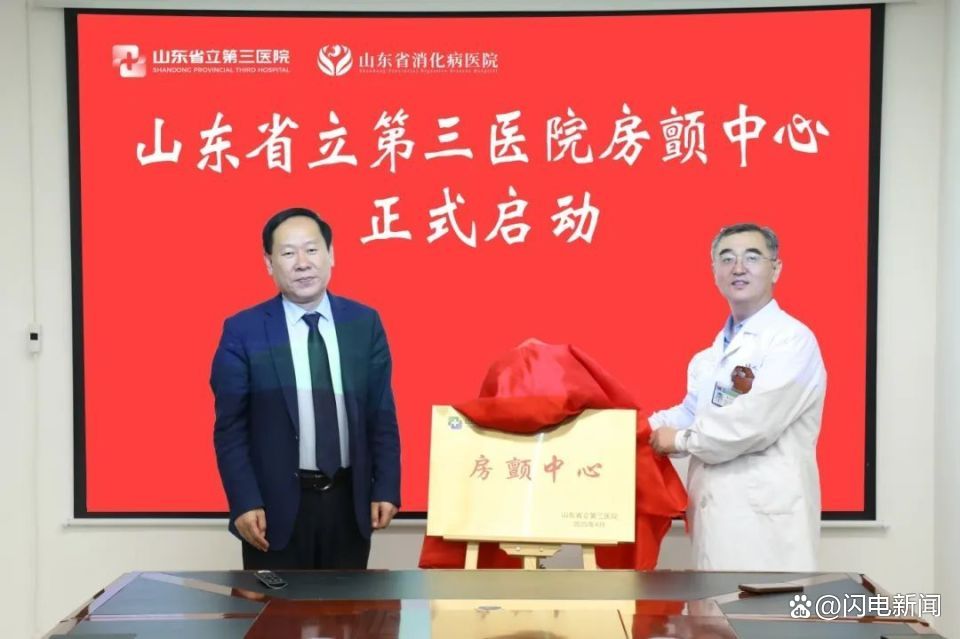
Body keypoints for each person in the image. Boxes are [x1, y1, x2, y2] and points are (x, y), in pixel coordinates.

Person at [211, 207, 401, 570]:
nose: (302, 263)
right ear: (269, 264)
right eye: (288, 253)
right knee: (275, 607)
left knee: (347, 607)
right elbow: (230, 428)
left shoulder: (364, 323)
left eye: (312, 250)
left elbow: (381, 413)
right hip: (273, 511)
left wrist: (386, 486)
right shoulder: (243, 330)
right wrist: (244, 500)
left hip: (348, 504)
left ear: (331, 255)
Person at [648, 223, 826, 571]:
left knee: (766, 605)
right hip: (717, 518)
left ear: (776, 269)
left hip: (767, 524)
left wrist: (680, 440)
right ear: (714, 271)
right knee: (713, 605)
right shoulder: (708, 357)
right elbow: (691, 412)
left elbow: (754, 423)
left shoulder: (792, 341)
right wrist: (636, 427)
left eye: (752, 257)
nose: (738, 268)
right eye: (727, 259)